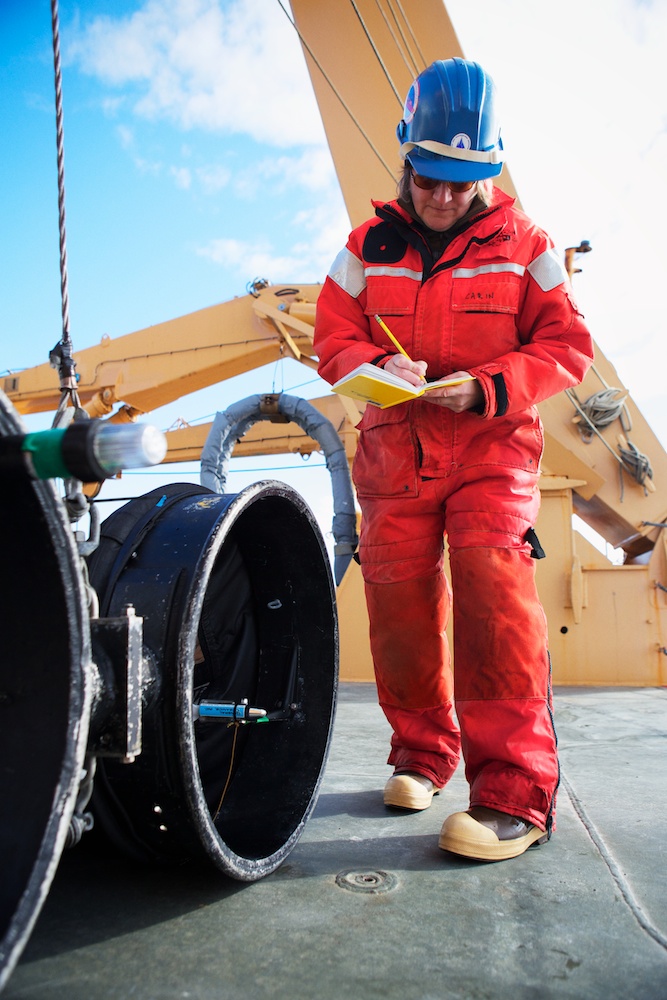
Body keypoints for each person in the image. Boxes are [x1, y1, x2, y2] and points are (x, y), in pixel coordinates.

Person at [313, 58, 594, 862]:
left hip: (489, 452)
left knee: (493, 602)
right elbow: (332, 338)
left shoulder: (528, 247)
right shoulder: (362, 248)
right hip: (394, 457)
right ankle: (420, 755)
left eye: (461, 184)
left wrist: (487, 387)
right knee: (398, 614)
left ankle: (511, 796)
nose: (441, 198)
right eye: (429, 179)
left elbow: (566, 346)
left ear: (488, 174)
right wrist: (377, 364)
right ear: (406, 161)